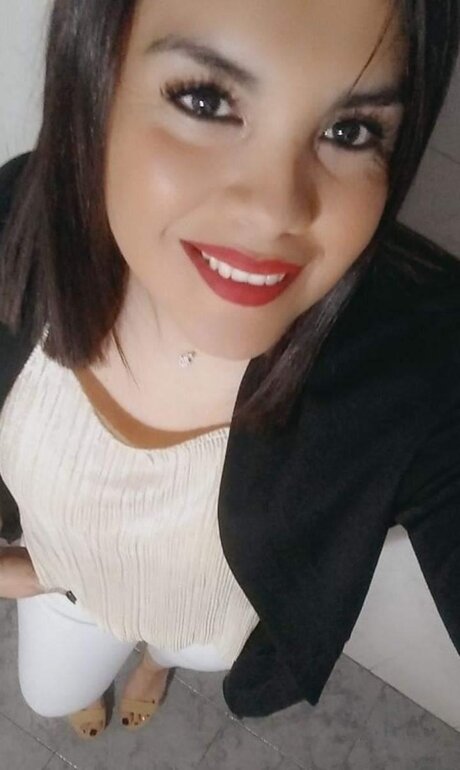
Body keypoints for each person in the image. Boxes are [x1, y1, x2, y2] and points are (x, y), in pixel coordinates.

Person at [0, 0, 459, 743]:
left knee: (181, 648)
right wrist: (27, 575)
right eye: (205, 99)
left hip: (207, 625)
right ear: (97, 80)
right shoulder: (16, 221)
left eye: (350, 131)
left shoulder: (413, 357)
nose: (276, 210)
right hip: (65, 589)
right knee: (52, 692)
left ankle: (155, 661)